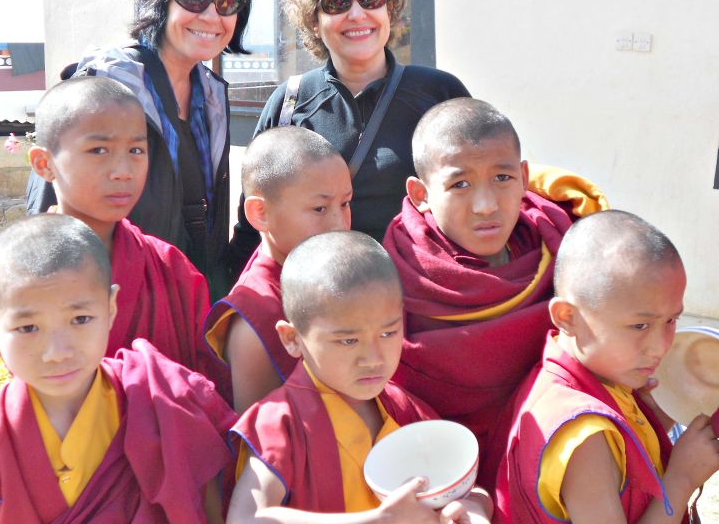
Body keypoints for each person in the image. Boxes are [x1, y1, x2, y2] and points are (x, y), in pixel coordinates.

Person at [0, 215, 235, 523]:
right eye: (28, 327)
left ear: (110, 308)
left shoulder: (162, 400)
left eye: (81, 320)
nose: (58, 352)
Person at [382, 98, 609, 489]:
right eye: (460, 184)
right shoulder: (395, 273)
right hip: (440, 479)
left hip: (553, 469)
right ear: (420, 193)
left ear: (523, 176)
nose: (486, 206)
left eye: (502, 179)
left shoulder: (559, 242)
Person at [27, 0, 252, 299]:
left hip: (188, 298)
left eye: (227, 2)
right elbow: (48, 205)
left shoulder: (211, 92)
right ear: (160, 0)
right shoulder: (103, 87)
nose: (212, 16)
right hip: (115, 300)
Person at [229, 0, 470, 273]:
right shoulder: (289, 103)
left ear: (390, 8)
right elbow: (251, 229)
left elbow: (475, 198)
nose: (357, 14)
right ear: (315, 20)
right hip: (316, 300)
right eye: (337, 3)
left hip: (418, 301)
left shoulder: (439, 94)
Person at [227, 231, 493, 523]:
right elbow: (247, 518)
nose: (373, 358)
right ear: (292, 338)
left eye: (388, 333)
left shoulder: (401, 406)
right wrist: (377, 520)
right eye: (349, 341)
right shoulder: (279, 422)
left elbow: (466, 486)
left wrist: (474, 508)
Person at [494, 210, 719, 523]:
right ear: (567, 318)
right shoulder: (584, 438)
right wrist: (681, 479)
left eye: (671, 320)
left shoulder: (590, 375)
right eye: (640, 325)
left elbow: (625, 470)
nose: (660, 345)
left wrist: (653, 420)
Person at [24, 76, 209, 369]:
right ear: (44, 164)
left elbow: (204, 380)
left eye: (136, 150)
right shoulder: (23, 267)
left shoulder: (170, 266)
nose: (123, 172)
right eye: (99, 150)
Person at [204, 127, 353, 411]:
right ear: (260, 213)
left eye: (345, 203)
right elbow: (261, 436)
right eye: (320, 209)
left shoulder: (321, 273)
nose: (339, 224)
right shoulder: (253, 320)